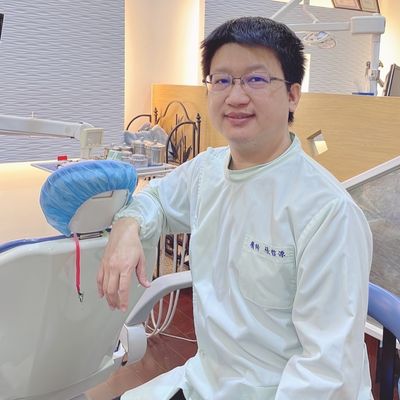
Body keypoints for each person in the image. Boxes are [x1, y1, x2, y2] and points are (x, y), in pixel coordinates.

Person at [97, 16, 373, 400]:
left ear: (293, 95)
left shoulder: (326, 212)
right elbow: (155, 197)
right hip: (206, 380)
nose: (236, 97)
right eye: (222, 80)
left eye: (256, 79)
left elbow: (327, 374)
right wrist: (128, 224)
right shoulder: (207, 171)